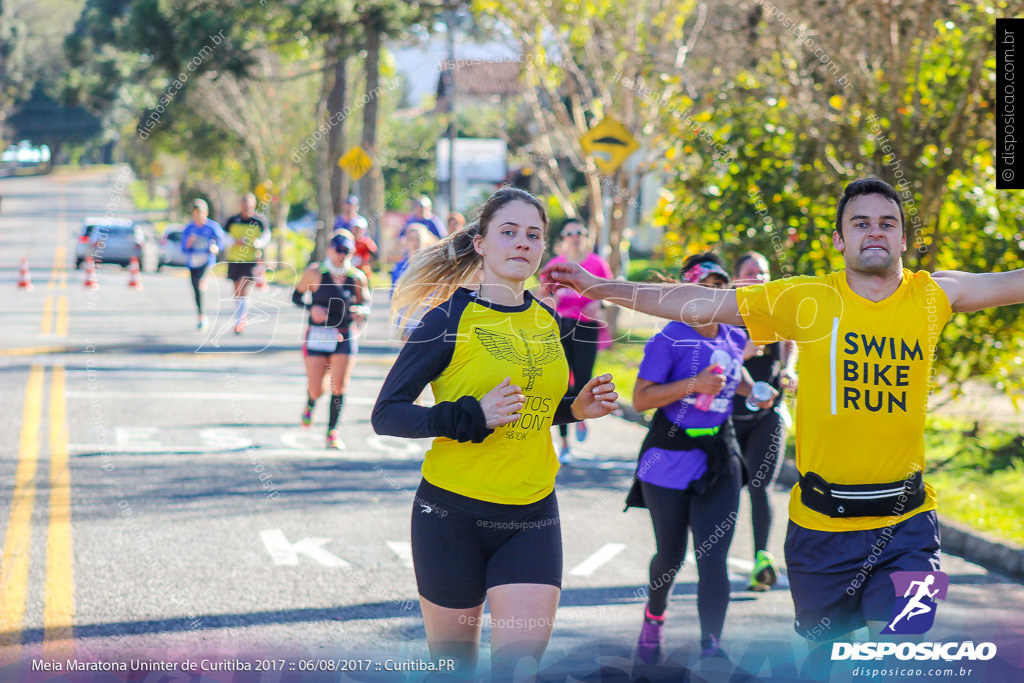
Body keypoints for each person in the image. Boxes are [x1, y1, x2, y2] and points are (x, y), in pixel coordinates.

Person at [541, 177, 1024, 675]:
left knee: (903, 658)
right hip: (820, 533)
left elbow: (1015, 281)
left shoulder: (935, 295)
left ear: (904, 238)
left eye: (888, 223)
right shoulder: (807, 300)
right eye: (861, 223)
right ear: (840, 239)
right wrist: (598, 286)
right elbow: (699, 303)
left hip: (908, 525)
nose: (875, 232)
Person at [371, 187, 619, 682]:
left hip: (532, 515)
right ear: (481, 243)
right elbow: (387, 414)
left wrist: (575, 408)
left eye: (533, 235)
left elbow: (529, 409)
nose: (522, 242)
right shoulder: (447, 320)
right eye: (508, 231)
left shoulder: (547, 319)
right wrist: (467, 417)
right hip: (450, 515)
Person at [627, 253, 774, 664]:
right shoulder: (669, 339)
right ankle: (654, 618)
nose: (711, 295)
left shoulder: (733, 334)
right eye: (702, 288)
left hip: (719, 459)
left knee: (714, 560)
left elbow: (734, 374)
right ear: (686, 294)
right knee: (670, 557)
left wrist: (755, 391)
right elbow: (640, 400)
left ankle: (712, 646)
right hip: (669, 459)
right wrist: (692, 384)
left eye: (718, 286)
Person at [731, 251, 798, 592]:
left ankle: (762, 560)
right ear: (736, 279)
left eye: (763, 272)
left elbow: (790, 344)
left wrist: (788, 370)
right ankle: (712, 558)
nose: (758, 277)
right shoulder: (726, 312)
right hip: (728, 417)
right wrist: (745, 351)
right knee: (725, 489)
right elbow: (717, 359)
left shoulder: (776, 310)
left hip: (767, 416)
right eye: (750, 272)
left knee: (760, 486)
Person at [539, 220, 613, 463]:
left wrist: (600, 303)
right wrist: (552, 299)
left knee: (582, 379)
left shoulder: (596, 264)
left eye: (579, 232)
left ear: (586, 236)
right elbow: (542, 295)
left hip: (586, 328)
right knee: (561, 382)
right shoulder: (555, 265)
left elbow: (611, 292)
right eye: (569, 233)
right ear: (563, 238)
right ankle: (564, 442)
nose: (574, 237)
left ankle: (580, 418)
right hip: (561, 327)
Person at [292, 230, 369, 449]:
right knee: (317, 388)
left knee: (339, 386)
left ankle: (331, 432)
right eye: (338, 250)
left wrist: (360, 311)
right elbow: (296, 297)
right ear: (329, 249)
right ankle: (310, 402)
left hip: (344, 334)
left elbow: (366, 304)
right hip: (318, 334)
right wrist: (312, 308)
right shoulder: (316, 272)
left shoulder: (357, 276)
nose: (342, 255)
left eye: (347, 251)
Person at [223, 193, 271, 334]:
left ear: (253, 205)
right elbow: (224, 236)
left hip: (251, 260)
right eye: (244, 204)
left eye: (249, 204)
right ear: (241, 205)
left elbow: (266, 236)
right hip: (235, 259)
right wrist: (235, 241)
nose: (246, 207)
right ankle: (240, 315)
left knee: (244, 286)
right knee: (237, 288)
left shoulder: (259, 220)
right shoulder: (233, 220)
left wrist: (258, 243)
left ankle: (240, 320)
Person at [181, 198, 225, 330]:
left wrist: (215, 247)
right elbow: (183, 248)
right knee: (195, 289)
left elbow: (221, 242)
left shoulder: (212, 227)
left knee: (200, 281)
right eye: (195, 212)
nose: (198, 215)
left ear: (206, 212)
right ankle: (201, 315)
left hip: (207, 260)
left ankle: (204, 279)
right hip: (194, 261)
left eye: (200, 212)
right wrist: (189, 241)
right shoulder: (189, 229)